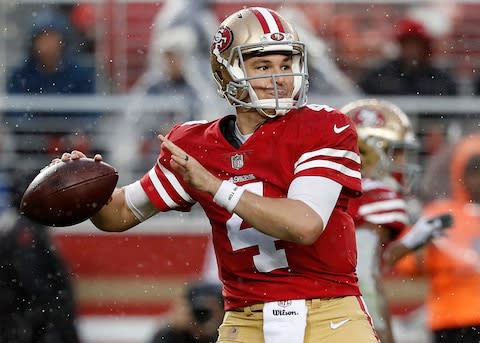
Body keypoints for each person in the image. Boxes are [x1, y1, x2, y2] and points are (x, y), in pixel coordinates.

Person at [56, 6, 379, 343]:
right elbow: (118, 214)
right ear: (229, 72)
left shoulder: (324, 127)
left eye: (286, 64)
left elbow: (304, 224)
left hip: (329, 313)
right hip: (245, 318)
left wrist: (215, 186)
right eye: (263, 65)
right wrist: (84, 186)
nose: (279, 77)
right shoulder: (197, 145)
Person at [341, 99, 453, 343]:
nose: (403, 162)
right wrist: (379, 331)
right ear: (368, 151)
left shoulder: (339, 192)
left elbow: (354, 260)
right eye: (397, 152)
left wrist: (410, 241)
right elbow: (362, 277)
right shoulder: (375, 197)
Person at [394, 134, 480, 343]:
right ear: (460, 172)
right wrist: (424, 245)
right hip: (453, 320)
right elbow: (409, 264)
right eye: (474, 171)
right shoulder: (439, 214)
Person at [5, 8, 97, 167]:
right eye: (43, 38)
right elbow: (15, 115)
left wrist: (68, 135)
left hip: (71, 147)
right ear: (33, 41)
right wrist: (42, 137)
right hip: (30, 149)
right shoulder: (20, 74)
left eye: (53, 37)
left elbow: (90, 113)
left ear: (62, 41)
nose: (48, 44)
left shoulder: (79, 72)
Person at [0, 170, 80, 343]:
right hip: (35, 326)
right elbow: (35, 284)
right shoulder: (26, 232)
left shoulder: (22, 228)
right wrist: (59, 320)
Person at [357, 17, 457, 96]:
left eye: (416, 44)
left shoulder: (439, 77)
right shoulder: (381, 74)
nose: (411, 49)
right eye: (407, 44)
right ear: (401, 45)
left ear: (424, 47)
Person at [149, 282, 224, 343]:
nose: (203, 315)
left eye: (208, 311)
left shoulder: (229, 331)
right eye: (198, 311)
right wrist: (172, 330)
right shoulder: (177, 333)